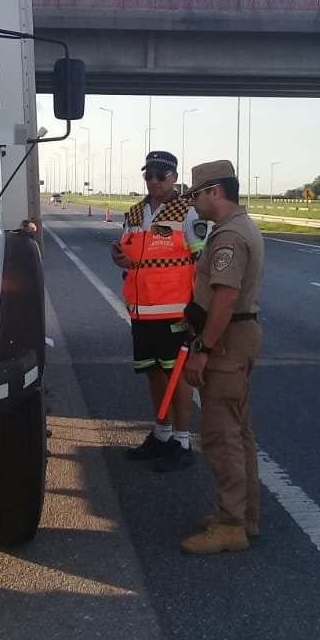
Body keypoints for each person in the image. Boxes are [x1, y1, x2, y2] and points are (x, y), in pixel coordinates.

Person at [179, 159, 265, 554]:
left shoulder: (229, 237)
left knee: (221, 434)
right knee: (240, 430)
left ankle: (231, 524)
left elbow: (224, 298)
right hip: (240, 336)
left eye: (196, 195)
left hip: (228, 340)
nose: (193, 203)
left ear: (215, 191)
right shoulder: (237, 228)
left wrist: (204, 350)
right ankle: (244, 515)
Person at [111, 150, 207, 472]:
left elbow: (202, 263)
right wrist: (120, 258)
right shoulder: (135, 213)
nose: (153, 181)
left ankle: (182, 440)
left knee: (176, 377)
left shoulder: (188, 214)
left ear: (174, 179)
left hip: (175, 313)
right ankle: (161, 433)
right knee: (153, 373)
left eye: (160, 176)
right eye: (148, 175)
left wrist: (195, 310)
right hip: (141, 312)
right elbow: (126, 252)